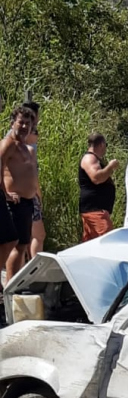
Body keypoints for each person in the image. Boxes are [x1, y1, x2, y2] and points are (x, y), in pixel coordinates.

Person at [0, 107, 37, 281]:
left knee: (22, 244)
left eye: (28, 124)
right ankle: (8, 285)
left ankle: (11, 284)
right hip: (13, 202)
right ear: (12, 123)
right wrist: (5, 192)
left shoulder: (27, 148)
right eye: (21, 122)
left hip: (28, 202)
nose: (24, 126)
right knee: (12, 243)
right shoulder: (9, 143)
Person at [79, 133, 119, 241]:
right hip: (95, 209)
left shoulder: (94, 159)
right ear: (101, 144)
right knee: (108, 241)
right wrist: (110, 166)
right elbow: (96, 178)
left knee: (91, 244)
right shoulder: (90, 158)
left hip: (96, 209)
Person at [23, 102, 45, 259]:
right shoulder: (28, 139)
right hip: (28, 191)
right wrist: (38, 193)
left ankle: (20, 271)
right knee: (38, 235)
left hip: (16, 192)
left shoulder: (11, 137)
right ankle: (35, 270)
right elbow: (32, 171)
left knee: (23, 236)